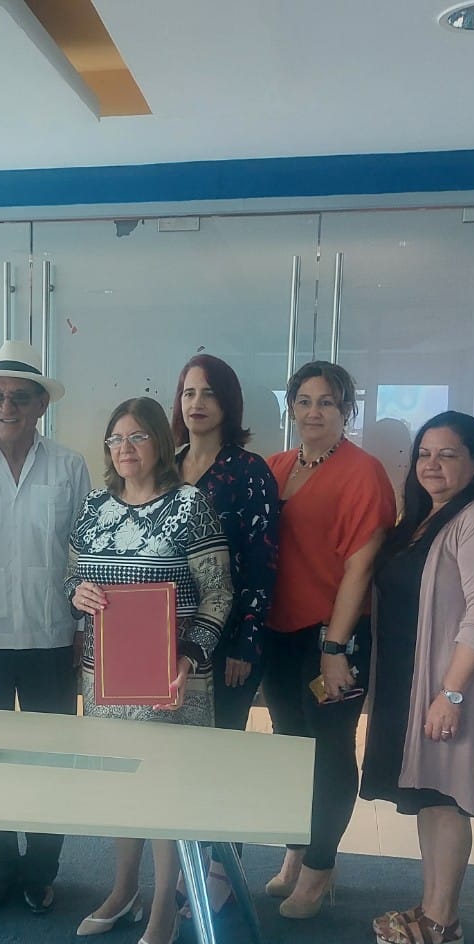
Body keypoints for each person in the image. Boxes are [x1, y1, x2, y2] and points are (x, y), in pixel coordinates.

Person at [69, 396, 233, 944]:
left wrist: (188, 657)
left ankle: (165, 902)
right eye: (116, 439)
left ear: (160, 443)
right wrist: (77, 593)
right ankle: (124, 890)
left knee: (167, 792)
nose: (125, 448)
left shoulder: (191, 506)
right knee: (122, 786)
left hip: (171, 678)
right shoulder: (93, 506)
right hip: (106, 676)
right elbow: (71, 577)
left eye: (137, 437)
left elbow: (219, 593)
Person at [360, 412, 474, 944]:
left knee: (447, 797)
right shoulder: (423, 519)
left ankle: (444, 920)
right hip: (410, 682)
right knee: (427, 795)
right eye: (425, 454)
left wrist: (451, 693)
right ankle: (431, 906)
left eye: (448, 454)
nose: (432, 465)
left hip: (449, 686)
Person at [0, 340, 90, 915]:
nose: (6, 407)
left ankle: (42, 868)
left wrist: (83, 630)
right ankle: (0, 866)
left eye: (19, 398)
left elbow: (84, 554)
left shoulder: (70, 466)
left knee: (49, 759)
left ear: (40, 405)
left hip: (51, 635)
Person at [258, 362, 396, 918]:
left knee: (330, 749)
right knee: (293, 746)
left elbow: (361, 567)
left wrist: (334, 648)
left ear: (346, 411)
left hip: (334, 637)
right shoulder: (276, 466)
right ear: (291, 407)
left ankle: (320, 868)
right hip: (279, 633)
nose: (314, 412)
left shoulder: (364, 473)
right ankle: (297, 850)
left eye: (328, 402)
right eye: (304, 401)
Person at [171, 353, 279, 915]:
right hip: (168, 642)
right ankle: (185, 863)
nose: (197, 403)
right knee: (182, 758)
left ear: (228, 403)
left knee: (222, 757)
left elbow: (262, 565)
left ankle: (223, 869)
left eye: (209, 393)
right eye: (189, 392)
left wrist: (246, 642)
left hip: (230, 641)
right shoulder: (166, 465)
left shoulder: (249, 470)